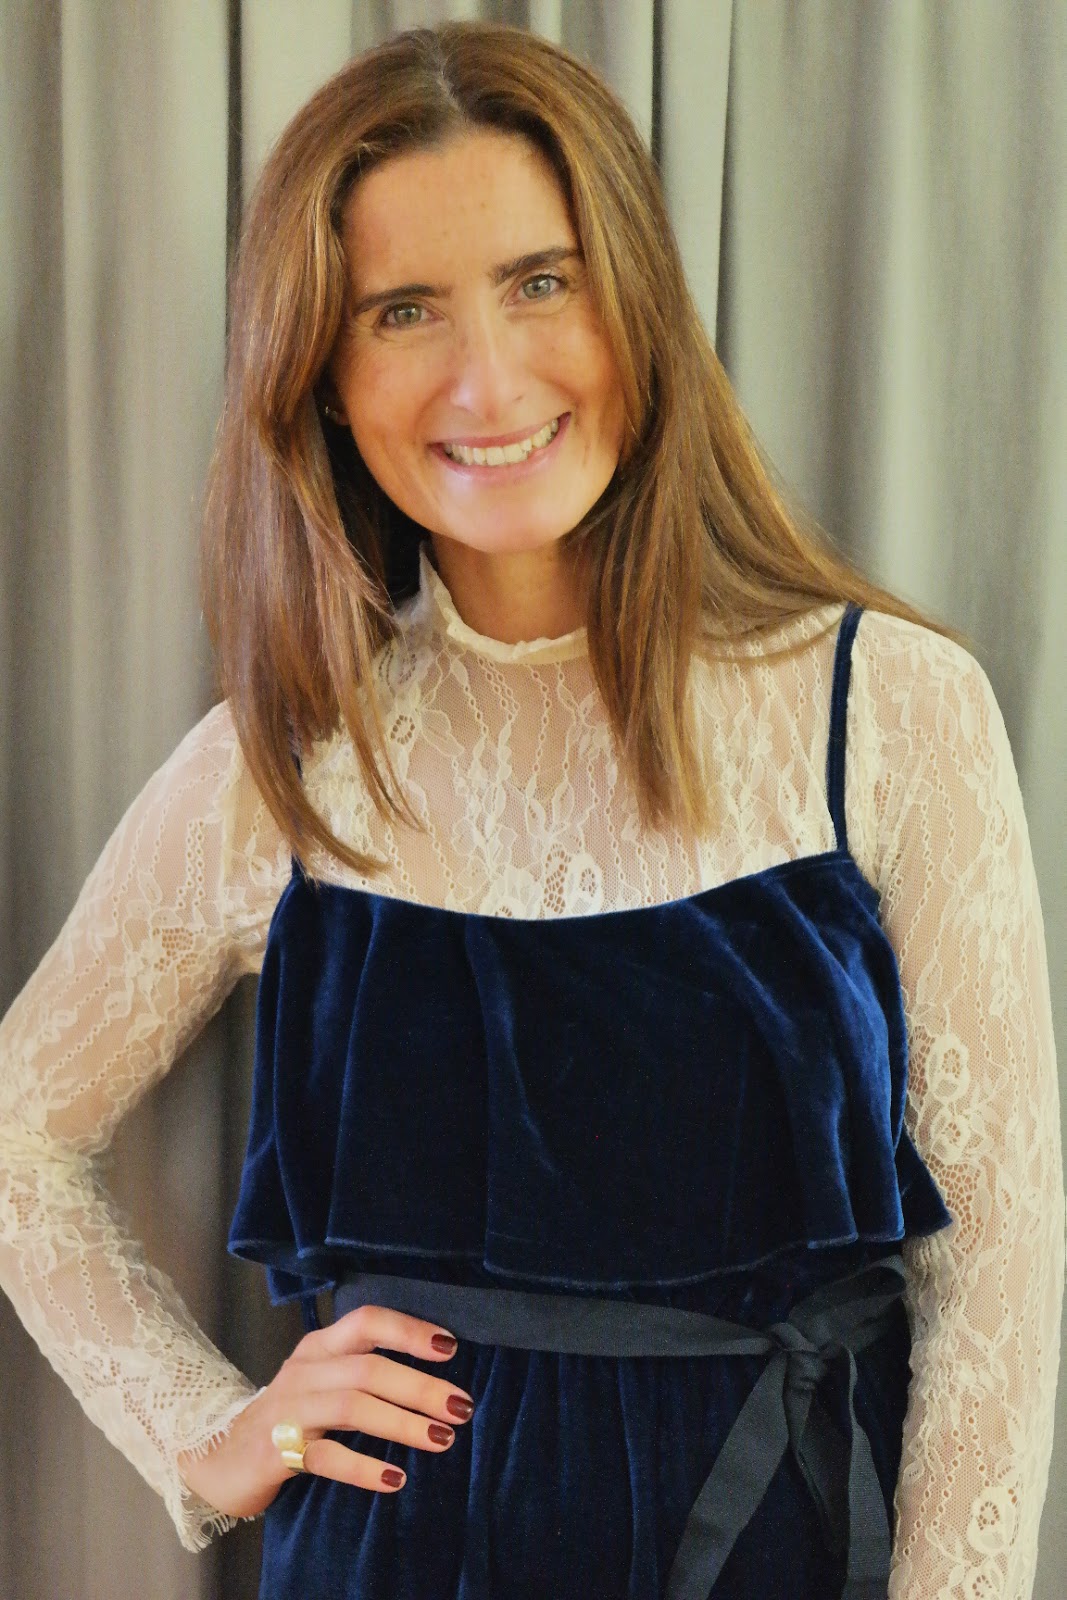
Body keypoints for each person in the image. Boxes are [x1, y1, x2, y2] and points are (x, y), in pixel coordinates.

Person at [0, 18, 1061, 1600]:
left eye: (541, 282)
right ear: (324, 373)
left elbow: (996, 1264)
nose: (485, 378)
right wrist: (209, 1433)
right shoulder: (281, 765)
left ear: (637, 302)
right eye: (402, 310)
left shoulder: (890, 710)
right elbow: (19, 1134)